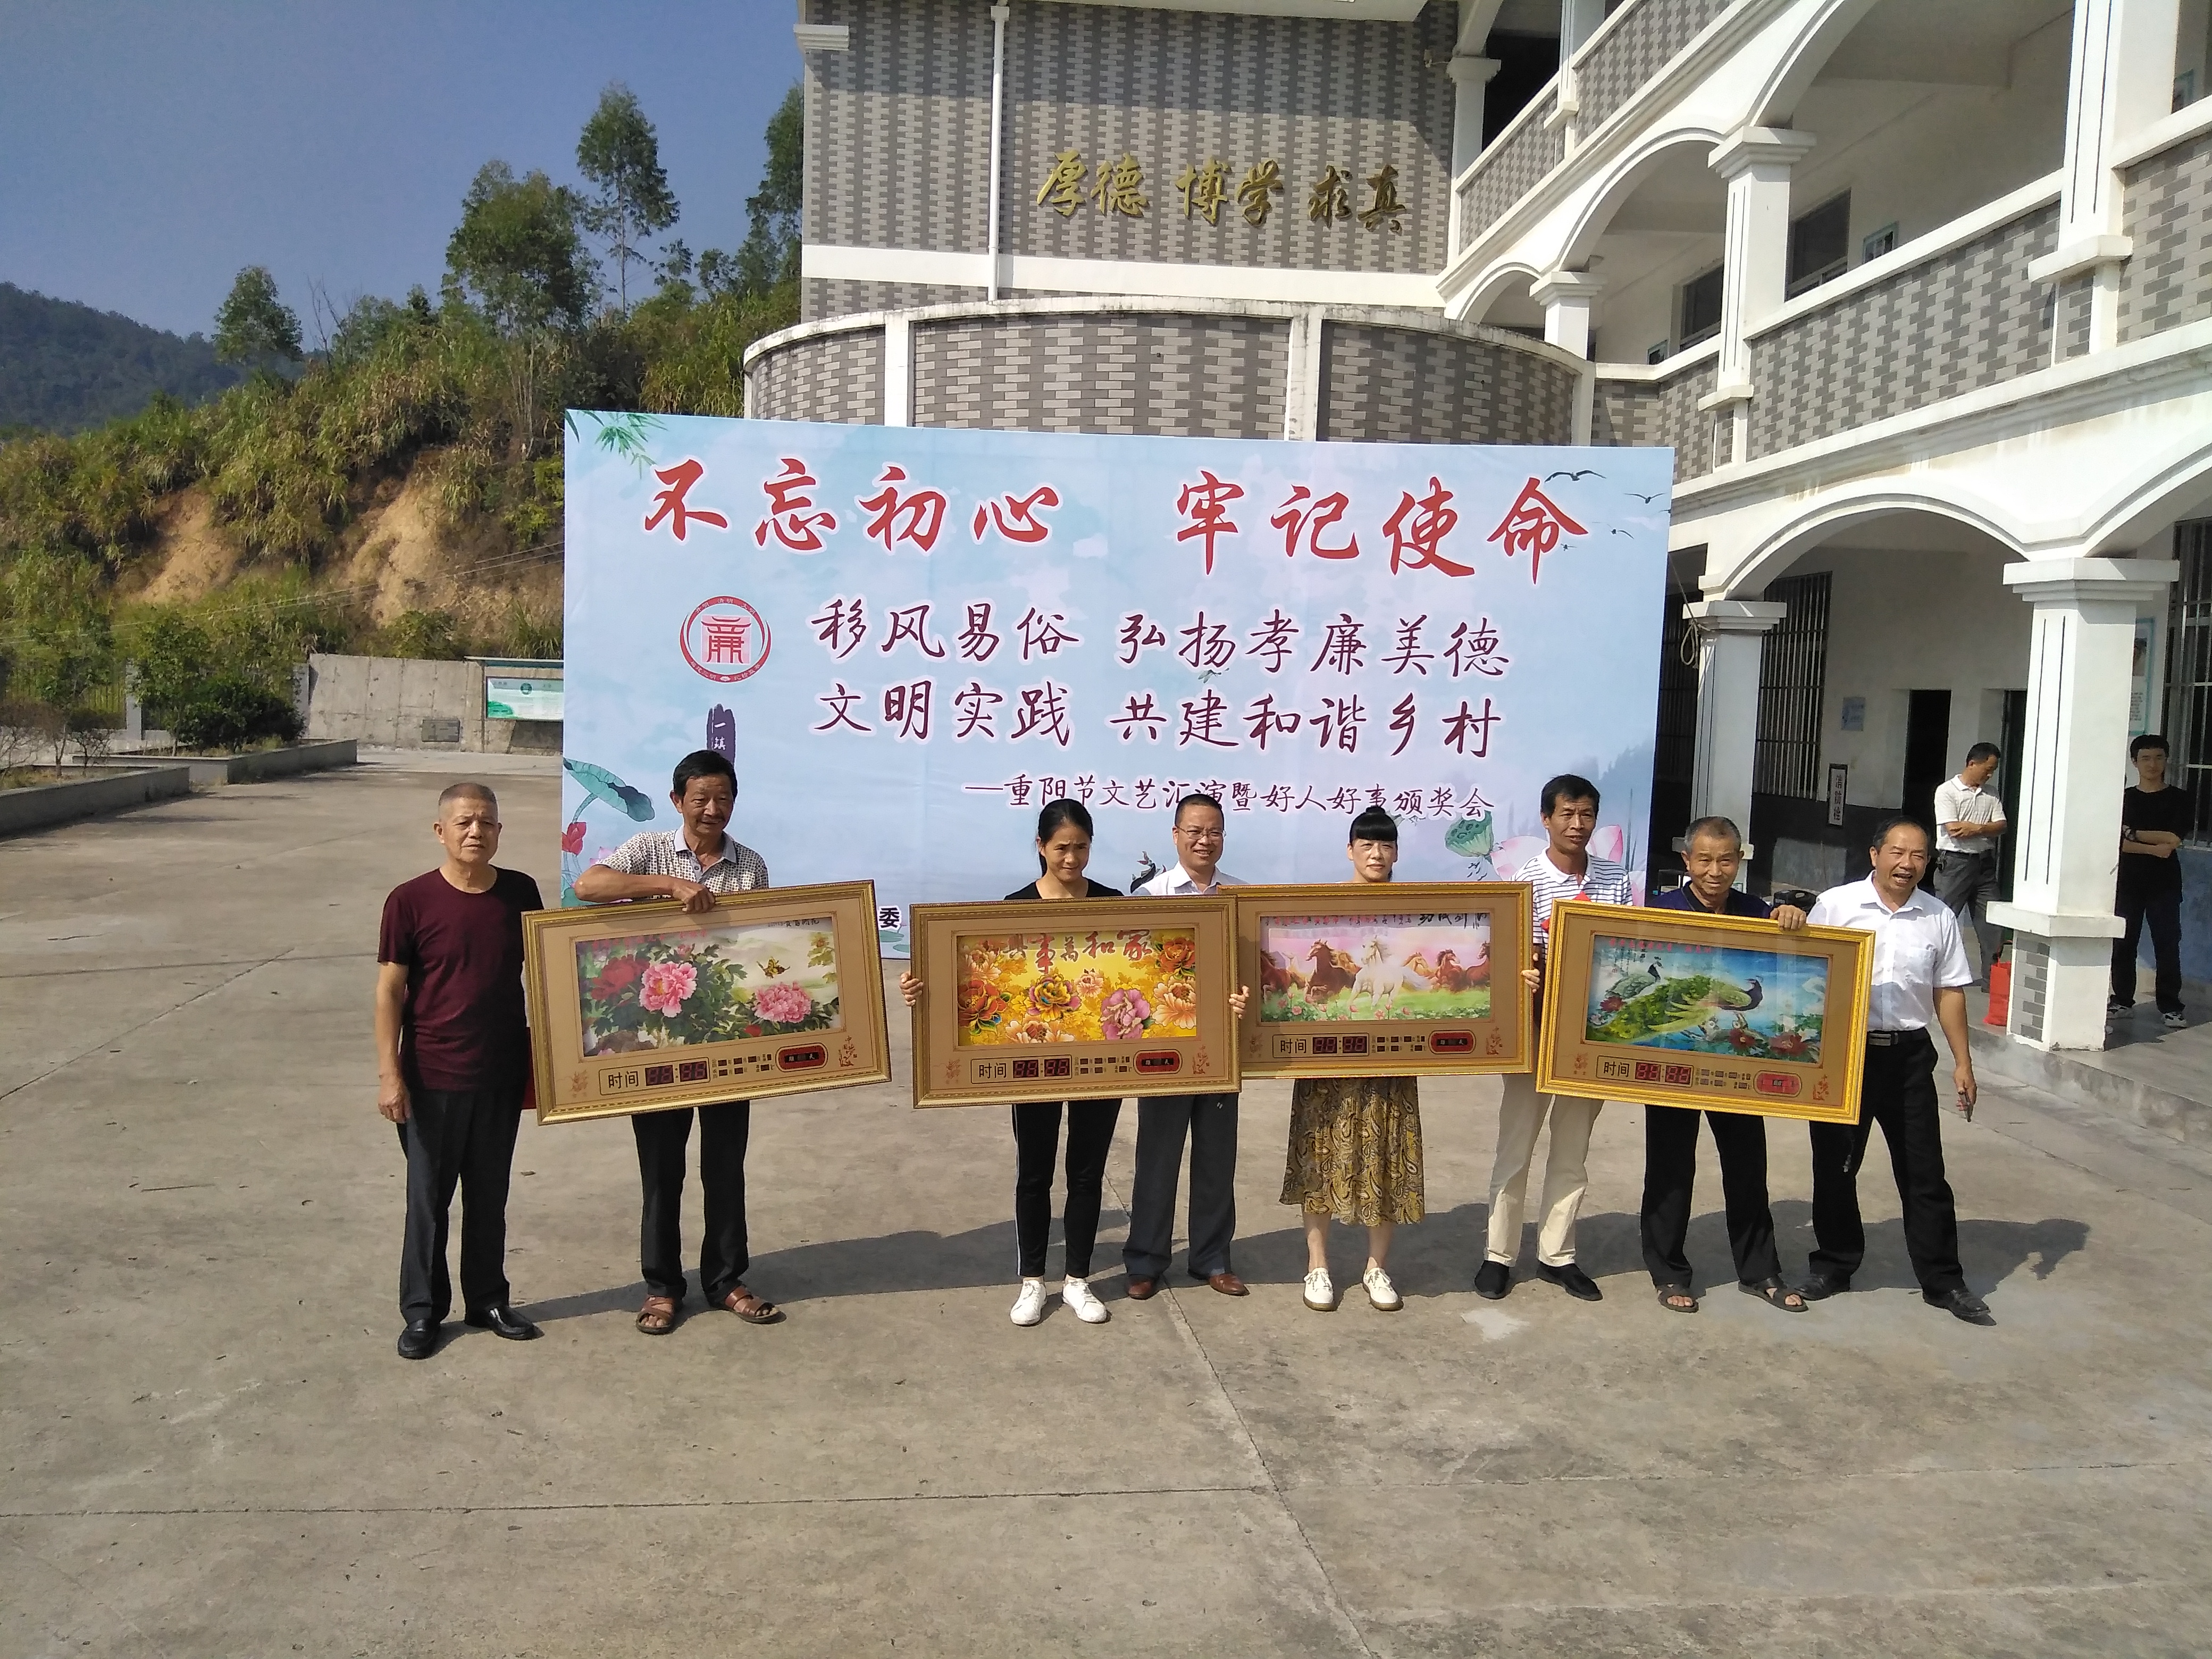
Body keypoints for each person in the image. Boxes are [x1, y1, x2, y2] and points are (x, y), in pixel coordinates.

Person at [574, 749, 783, 1336]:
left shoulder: (750, 866)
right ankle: (662, 1287)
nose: (712, 809)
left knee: (725, 1167)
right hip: (656, 1042)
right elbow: (589, 885)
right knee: (662, 1171)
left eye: (723, 799)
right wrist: (668, 884)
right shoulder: (648, 850)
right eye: (700, 799)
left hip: (726, 1038)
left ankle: (725, 1280)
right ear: (676, 801)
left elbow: (761, 943)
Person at [900, 799, 1124, 1327]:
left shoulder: (1113, 904)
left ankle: (1078, 1280)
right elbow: (982, 981)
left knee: (1087, 1171)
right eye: (1061, 848)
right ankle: (1032, 1281)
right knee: (1034, 1172)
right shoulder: (1013, 906)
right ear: (1041, 847)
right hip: (1033, 1060)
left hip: (1100, 1060)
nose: (1071, 859)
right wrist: (922, 990)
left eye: (1081, 847)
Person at [375, 783, 544, 1360]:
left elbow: (545, 972)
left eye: (487, 822)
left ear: (499, 831)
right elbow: (389, 991)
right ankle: (423, 1311)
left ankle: (488, 1300)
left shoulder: (520, 892)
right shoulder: (410, 900)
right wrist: (390, 1074)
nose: (477, 832)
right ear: (440, 831)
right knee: (429, 1201)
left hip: (500, 1072)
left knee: (489, 1196)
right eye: (465, 822)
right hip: (432, 1076)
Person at [1800, 815, 1991, 1324]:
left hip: (1909, 1058)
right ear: (1875, 855)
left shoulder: (1938, 917)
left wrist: (1963, 1063)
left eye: (1919, 856)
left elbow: (1949, 991)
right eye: (1898, 853)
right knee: (1836, 1167)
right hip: (1846, 1056)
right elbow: (1805, 973)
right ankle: (1834, 1264)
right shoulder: (1836, 906)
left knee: (1924, 1172)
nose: (1907, 864)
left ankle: (1943, 1281)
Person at [1640, 817, 1809, 1314]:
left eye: (1726, 860)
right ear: (1687, 861)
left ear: (1740, 860)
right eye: (1705, 860)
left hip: (1737, 1066)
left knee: (1747, 1166)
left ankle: (1760, 1272)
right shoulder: (1659, 913)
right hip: (1673, 1061)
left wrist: (1790, 917)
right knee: (1670, 1167)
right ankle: (1669, 1272)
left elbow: (1793, 960)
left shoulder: (1758, 912)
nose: (1715, 871)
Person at [1476, 774, 1632, 1304]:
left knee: (1572, 1146)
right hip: (1536, 1028)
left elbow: (1625, 949)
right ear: (1546, 820)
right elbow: (1508, 955)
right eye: (1566, 814)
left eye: (1586, 814)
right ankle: (1498, 1255)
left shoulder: (1613, 880)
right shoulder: (1526, 881)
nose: (1577, 824)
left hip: (1590, 1033)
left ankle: (1557, 1255)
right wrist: (1524, 974)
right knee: (1516, 1144)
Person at [1283, 808, 1425, 1314]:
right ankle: (1317, 1265)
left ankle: (1376, 1267)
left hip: (1390, 1060)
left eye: (1386, 845)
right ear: (1350, 850)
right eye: (1366, 845)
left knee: (1387, 1150)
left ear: (1397, 853)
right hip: (1329, 1059)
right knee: (1320, 1150)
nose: (1376, 854)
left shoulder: (1414, 910)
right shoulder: (1325, 904)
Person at [1127, 793, 1249, 1300]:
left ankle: (1212, 1259)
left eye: (1214, 831)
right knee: (1157, 1157)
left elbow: (1253, 970)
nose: (1205, 840)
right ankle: (1146, 1261)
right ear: (1175, 836)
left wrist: (1244, 998)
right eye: (1195, 831)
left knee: (1217, 1157)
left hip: (1221, 1048)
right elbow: (1132, 976)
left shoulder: (1242, 896)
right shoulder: (1149, 896)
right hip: (1165, 1050)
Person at [2112, 733, 2189, 1028]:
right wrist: (2152, 848)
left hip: (2164, 885)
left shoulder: (2179, 799)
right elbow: (2116, 844)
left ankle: (2171, 1006)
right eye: (2145, 758)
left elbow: (2173, 840)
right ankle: (2122, 1000)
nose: (2152, 764)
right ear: (2135, 762)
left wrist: (2132, 833)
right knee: (2124, 943)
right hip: (2128, 883)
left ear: (2167, 760)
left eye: (2158, 757)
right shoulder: (2124, 799)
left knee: (2167, 945)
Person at [1933, 742, 2007, 990]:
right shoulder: (1947, 791)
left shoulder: (1991, 794)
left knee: (1991, 924)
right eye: (1987, 769)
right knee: (1943, 919)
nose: (1990, 775)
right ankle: (1933, 973)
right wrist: (1985, 829)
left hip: (1984, 865)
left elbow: (2001, 826)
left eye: (1993, 770)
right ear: (1972, 763)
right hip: (1955, 863)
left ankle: (1992, 980)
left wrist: (1975, 828)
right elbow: (1954, 829)